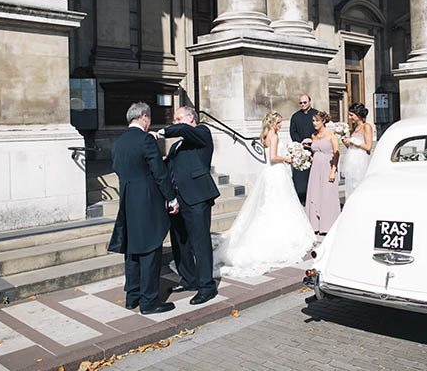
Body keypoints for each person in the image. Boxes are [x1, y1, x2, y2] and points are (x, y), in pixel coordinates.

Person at [214, 111, 315, 278]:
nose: (281, 125)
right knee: (279, 203)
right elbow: (273, 157)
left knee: (270, 204)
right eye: (279, 122)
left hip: (268, 173)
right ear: (273, 123)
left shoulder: (265, 135)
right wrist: (288, 158)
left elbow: (265, 156)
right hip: (276, 172)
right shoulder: (274, 137)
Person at [107, 101, 177, 315]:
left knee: (132, 251)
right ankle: (149, 301)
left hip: (128, 200)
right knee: (149, 250)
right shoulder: (145, 140)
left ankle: (132, 296)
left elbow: (117, 168)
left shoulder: (118, 142)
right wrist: (172, 198)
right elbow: (159, 172)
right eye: (149, 118)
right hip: (147, 201)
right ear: (144, 117)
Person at [155, 106, 220, 305]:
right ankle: (189, 278)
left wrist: (160, 132)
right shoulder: (176, 147)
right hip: (177, 200)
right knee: (180, 242)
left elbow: (183, 130)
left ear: (190, 118)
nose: (174, 122)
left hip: (197, 198)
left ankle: (206, 286)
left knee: (199, 243)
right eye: (173, 120)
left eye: (178, 118)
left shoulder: (202, 133)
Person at [306, 110, 341, 234]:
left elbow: (337, 154)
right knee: (315, 193)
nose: (314, 123)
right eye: (313, 121)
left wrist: (333, 171)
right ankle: (315, 225)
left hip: (328, 167)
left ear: (323, 121)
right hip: (315, 168)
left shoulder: (331, 135)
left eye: (317, 121)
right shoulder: (313, 135)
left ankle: (328, 225)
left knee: (327, 195)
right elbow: (314, 152)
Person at [290, 94, 318, 204]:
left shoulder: (316, 114)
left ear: (310, 102)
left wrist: (312, 141)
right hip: (300, 149)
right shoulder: (295, 116)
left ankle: (314, 196)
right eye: (300, 103)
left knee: (313, 174)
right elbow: (293, 131)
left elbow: (320, 129)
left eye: (305, 102)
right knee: (300, 175)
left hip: (314, 148)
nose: (302, 104)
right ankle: (301, 197)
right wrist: (301, 142)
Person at [341, 102, 373, 199]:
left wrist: (353, 141)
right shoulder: (354, 129)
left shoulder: (366, 126)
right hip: (352, 160)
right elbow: (353, 147)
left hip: (361, 160)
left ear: (358, 115)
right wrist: (347, 143)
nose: (350, 118)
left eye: (351, 115)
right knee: (351, 183)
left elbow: (368, 146)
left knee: (359, 184)